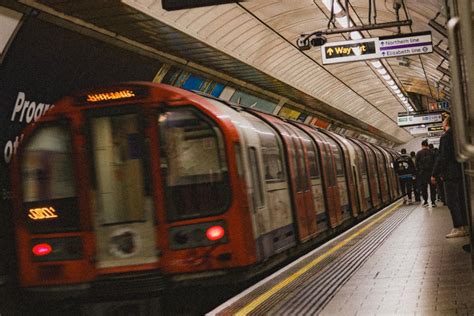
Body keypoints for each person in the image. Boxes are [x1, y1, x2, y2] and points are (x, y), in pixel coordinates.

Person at [431, 116, 468, 238]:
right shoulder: (459, 136)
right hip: (461, 172)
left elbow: (443, 157)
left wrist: (434, 174)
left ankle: (458, 227)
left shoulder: (446, 137)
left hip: (450, 174)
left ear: (446, 123)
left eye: (443, 121)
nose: (442, 123)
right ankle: (465, 226)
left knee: (452, 201)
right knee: (461, 200)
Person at [416, 140, 436, 207]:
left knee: (424, 188)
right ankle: (433, 202)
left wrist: (419, 173)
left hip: (422, 173)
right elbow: (435, 163)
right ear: (427, 145)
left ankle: (425, 202)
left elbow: (416, 164)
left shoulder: (419, 153)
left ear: (422, 145)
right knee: (432, 187)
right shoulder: (432, 152)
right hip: (431, 173)